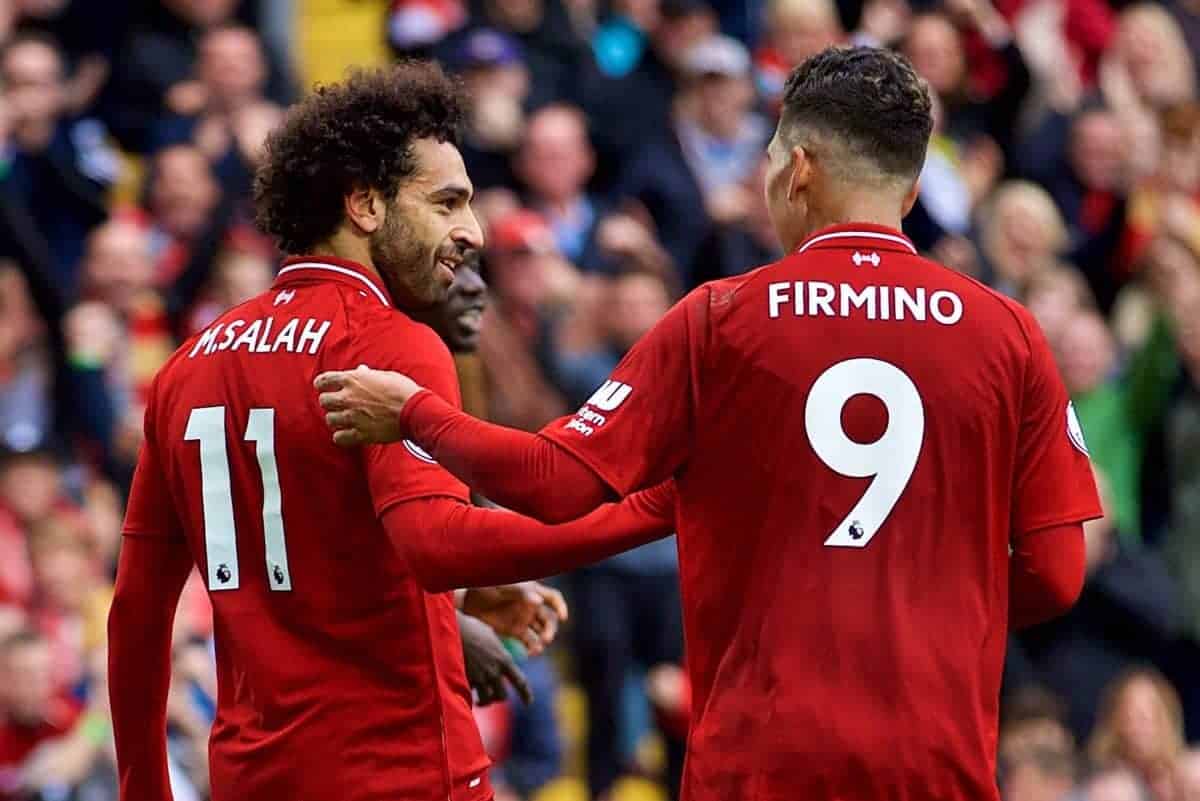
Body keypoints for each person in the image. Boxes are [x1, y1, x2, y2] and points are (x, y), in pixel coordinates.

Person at [316, 47, 1103, 800]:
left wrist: (414, 413)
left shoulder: (721, 321)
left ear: (798, 171)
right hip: (936, 761)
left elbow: (554, 482)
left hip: (761, 763)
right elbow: (1058, 572)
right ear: (907, 188)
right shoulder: (1009, 333)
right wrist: (933, 595)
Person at [107, 62, 676, 801]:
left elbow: (139, 615)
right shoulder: (391, 344)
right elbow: (436, 543)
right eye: (447, 203)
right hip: (398, 771)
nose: (471, 231)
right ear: (366, 204)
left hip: (256, 777)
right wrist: (658, 510)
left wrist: (141, 791)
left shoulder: (187, 368)